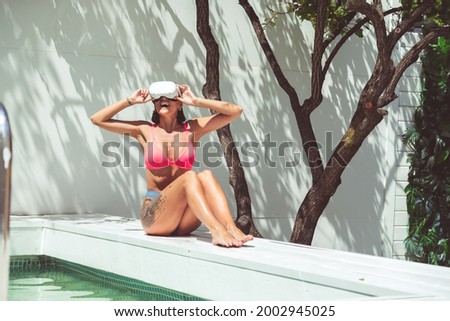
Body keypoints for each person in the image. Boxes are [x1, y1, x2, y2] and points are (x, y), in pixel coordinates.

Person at [90, 82, 253, 247]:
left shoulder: (192, 129)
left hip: (184, 220)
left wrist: (197, 101)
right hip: (154, 216)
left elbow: (235, 111)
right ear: (153, 104)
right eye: (158, 98)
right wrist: (130, 101)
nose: (163, 100)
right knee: (190, 176)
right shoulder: (144, 130)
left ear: (179, 103)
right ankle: (216, 230)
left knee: (206, 175)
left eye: (168, 96)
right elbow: (97, 119)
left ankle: (230, 227)